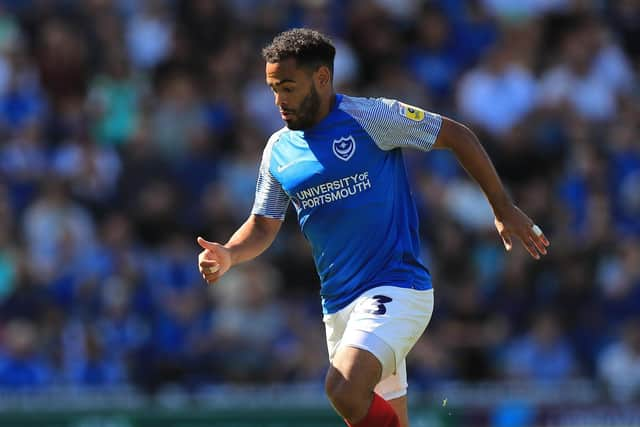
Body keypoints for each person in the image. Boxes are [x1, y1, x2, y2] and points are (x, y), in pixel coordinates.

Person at [196, 28, 550, 427]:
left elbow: (456, 135)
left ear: (322, 79)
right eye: (273, 88)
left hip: (395, 288)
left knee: (343, 388)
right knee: (375, 412)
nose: (278, 100)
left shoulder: (370, 118)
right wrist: (229, 253)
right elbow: (263, 225)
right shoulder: (278, 149)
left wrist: (502, 207)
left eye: (288, 88)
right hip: (339, 307)